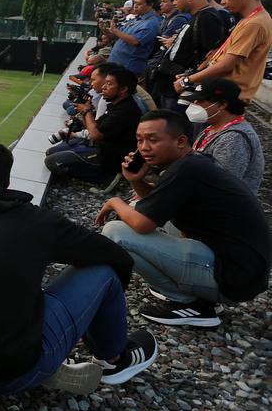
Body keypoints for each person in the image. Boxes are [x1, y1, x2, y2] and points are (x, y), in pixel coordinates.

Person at [0, 139, 156, 396]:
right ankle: (113, 359)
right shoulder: (39, 222)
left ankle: (56, 362)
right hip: (7, 373)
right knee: (102, 271)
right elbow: (114, 256)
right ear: (5, 179)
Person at [99, 111, 270, 327]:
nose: (144, 147)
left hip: (230, 277)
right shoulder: (193, 163)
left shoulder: (186, 170)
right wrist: (136, 180)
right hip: (241, 272)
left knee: (116, 231)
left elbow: (142, 224)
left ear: (180, 141)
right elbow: (156, 204)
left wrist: (114, 201)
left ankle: (190, 304)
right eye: (139, 140)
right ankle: (198, 299)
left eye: (153, 139)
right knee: (136, 210)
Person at [176, 0, 272, 103]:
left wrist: (187, 80)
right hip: (223, 91)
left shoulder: (254, 23)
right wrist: (193, 75)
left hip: (227, 96)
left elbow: (226, 65)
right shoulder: (251, 19)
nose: (222, 2)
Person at [44, 65, 141, 185]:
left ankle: (107, 178)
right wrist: (85, 111)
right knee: (51, 152)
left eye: (109, 84)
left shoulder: (125, 110)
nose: (104, 87)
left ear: (123, 89)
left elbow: (95, 134)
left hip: (109, 156)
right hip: (99, 146)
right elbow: (92, 127)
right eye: (105, 83)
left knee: (52, 161)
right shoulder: (116, 103)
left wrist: (87, 111)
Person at [182, 78, 264, 190]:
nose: (194, 105)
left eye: (200, 101)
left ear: (222, 104)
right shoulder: (213, 128)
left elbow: (220, 184)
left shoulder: (234, 139)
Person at [107, 0, 161, 75]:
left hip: (128, 67)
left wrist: (115, 30)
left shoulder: (152, 23)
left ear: (150, 5)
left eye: (139, 4)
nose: (135, 6)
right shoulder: (136, 19)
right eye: (135, 3)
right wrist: (105, 29)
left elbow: (135, 41)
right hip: (116, 64)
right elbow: (116, 36)